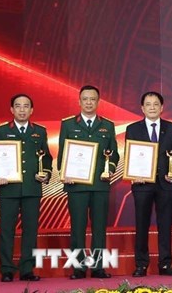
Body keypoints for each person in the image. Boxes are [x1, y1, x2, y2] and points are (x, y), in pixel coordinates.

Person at [58, 85, 119, 279]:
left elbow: (114, 154)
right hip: (76, 184)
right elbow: (62, 153)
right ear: (79, 101)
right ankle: (78, 268)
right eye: (85, 99)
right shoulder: (68, 124)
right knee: (77, 227)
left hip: (100, 185)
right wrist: (65, 173)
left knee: (99, 228)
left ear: (98, 102)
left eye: (93, 99)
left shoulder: (107, 125)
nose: (89, 102)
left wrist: (109, 170)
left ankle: (98, 267)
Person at [0, 94, 52, 282]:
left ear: (31, 110)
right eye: (18, 106)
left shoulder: (40, 132)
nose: (22, 109)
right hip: (8, 188)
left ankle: (27, 269)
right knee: (6, 230)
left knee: (31, 230)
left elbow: (46, 158)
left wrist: (46, 174)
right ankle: (7, 269)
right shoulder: (1, 131)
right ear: (11, 109)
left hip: (32, 188)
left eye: (26, 106)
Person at [125, 91, 172, 277]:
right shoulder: (133, 129)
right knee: (141, 225)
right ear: (142, 108)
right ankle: (141, 265)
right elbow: (130, 156)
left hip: (166, 184)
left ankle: (165, 264)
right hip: (142, 185)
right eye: (148, 104)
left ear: (162, 107)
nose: (152, 107)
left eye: (155, 104)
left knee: (165, 225)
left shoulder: (171, 128)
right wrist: (133, 174)